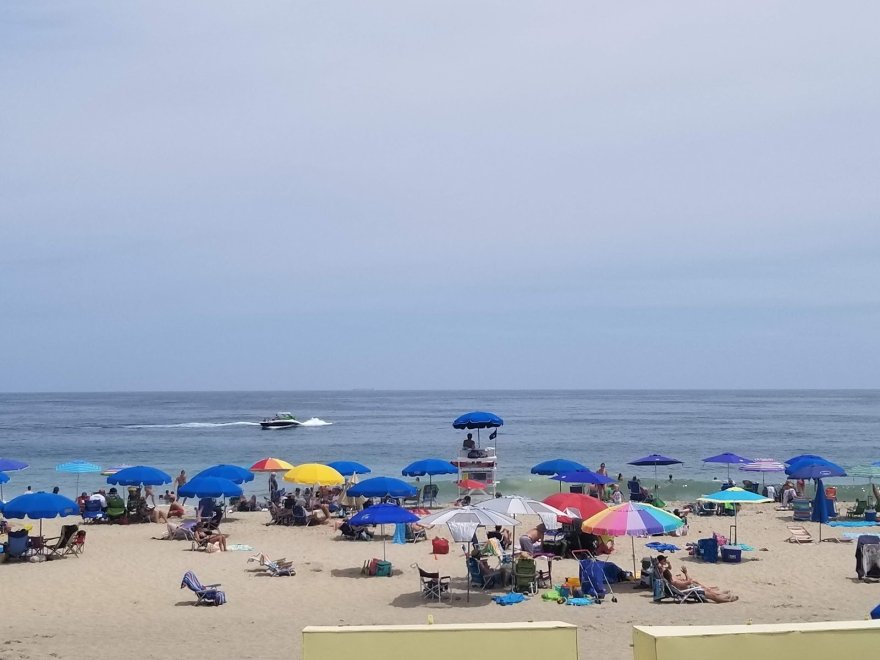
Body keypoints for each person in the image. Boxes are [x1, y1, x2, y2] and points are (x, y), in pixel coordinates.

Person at [657, 555, 737, 602]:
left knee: (711, 594)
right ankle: (728, 599)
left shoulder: (671, 581)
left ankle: (725, 596)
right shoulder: (675, 582)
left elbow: (685, 582)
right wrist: (686, 573)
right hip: (691, 591)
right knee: (713, 596)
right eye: (664, 560)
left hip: (690, 589)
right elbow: (688, 582)